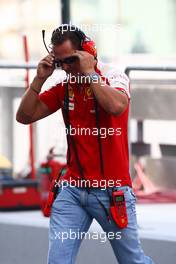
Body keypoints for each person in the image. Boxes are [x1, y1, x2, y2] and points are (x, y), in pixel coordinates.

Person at [16, 25, 155, 264]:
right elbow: (25, 116)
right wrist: (39, 80)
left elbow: (117, 107)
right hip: (72, 190)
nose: (66, 68)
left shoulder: (113, 76)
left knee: (133, 261)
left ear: (87, 52)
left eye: (70, 60)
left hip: (112, 191)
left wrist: (90, 74)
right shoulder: (65, 86)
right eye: (60, 63)